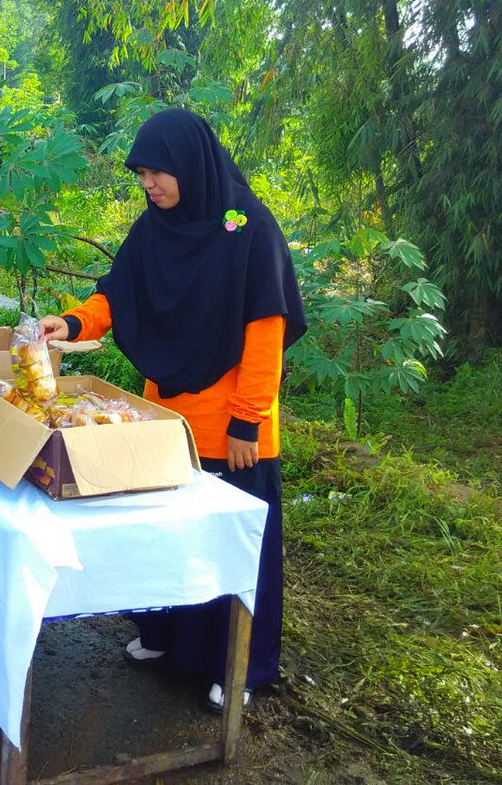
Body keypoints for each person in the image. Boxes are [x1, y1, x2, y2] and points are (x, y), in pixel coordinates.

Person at [39, 108, 306, 714]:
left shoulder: (249, 228)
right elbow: (117, 291)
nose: (150, 185)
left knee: (231, 549)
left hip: (232, 429)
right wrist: (75, 322)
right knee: (168, 539)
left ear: (192, 164)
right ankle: (164, 636)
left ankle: (239, 665)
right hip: (168, 422)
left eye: (160, 172)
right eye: (141, 174)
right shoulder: (156, 226)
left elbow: (266, 333)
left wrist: (246, 422)